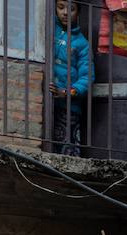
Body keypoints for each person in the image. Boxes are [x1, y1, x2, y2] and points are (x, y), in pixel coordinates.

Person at [50, 0, 92, 157]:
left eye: (71, 9)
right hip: (43, 99)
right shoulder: (46, 27)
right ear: (54, 8)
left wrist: (67, 92)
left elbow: (86, 77)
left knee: (66, 152)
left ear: (78, 12)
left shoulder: (82, 44)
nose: (65, 13)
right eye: (61, 7)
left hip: (68, 106)